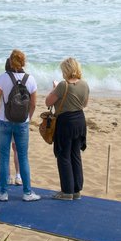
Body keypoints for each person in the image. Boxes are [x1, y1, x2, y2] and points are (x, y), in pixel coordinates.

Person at [0, 50, 40, 202]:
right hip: (22, 123)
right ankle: (27, 192)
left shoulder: (2, 78)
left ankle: (3, 192)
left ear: (10, 62)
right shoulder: (30, 79)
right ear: (24, 62)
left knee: (4, 156)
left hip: (4, 121)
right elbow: (33, 104)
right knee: (23, 156)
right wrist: (28, 118)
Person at [45, 57, 90, 201]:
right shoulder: (84, 84)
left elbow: (48, 101)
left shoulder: (62, 86)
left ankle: (67, 191)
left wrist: (54, 89)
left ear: (66, 70)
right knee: (75, 155)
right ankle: (76, 190)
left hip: (66, 122)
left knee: (63, 156)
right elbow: (84, 104)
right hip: (79, 121)